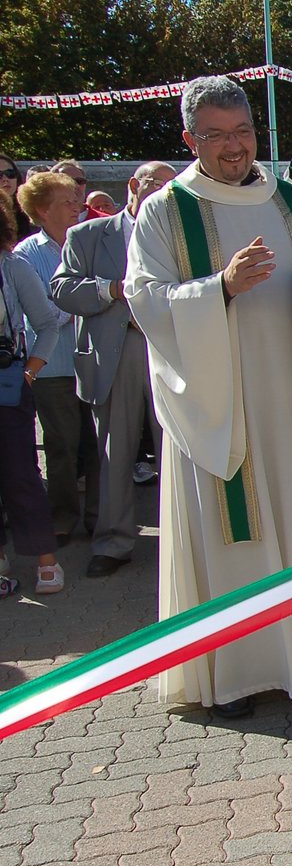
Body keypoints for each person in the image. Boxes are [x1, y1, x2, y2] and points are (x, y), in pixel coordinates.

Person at [127, 75, 292, 720]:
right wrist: (218, 289)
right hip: (221, 404)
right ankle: (233, 674)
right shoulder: (165, 210)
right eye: (216, 136)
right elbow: (145, 300)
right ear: (189, 138)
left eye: (243, 133)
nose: (234, 148)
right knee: (237, 530)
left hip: (291, 394)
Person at [49, 161, 176, 578]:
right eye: (152, 183)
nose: (160, 190)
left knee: (176, 451)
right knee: (114, 454)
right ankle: (113, 542)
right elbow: (61, 288)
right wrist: (110, 289)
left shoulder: (177, 234)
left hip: (169, 352)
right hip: (113, 354)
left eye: (168, 186)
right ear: (131, 187)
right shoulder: (86, 235)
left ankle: (181, 543)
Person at [16, 172, 99, 544]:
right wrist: (83, 301)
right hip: (54, 367)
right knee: (62, 446)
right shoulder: (25, 255)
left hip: (94, 361)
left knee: (99, 445)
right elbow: (37, 315)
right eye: (66, 202)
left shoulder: (91, 242)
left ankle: (100, 518)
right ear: (42, 210)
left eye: (75, 199)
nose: (77, 207)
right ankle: (63, 516)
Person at [0, 194, 66, 596]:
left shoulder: (13, 267)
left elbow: (46, 324)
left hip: (8, 389)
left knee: (21, 475)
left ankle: (46, 559)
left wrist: (29, 371)